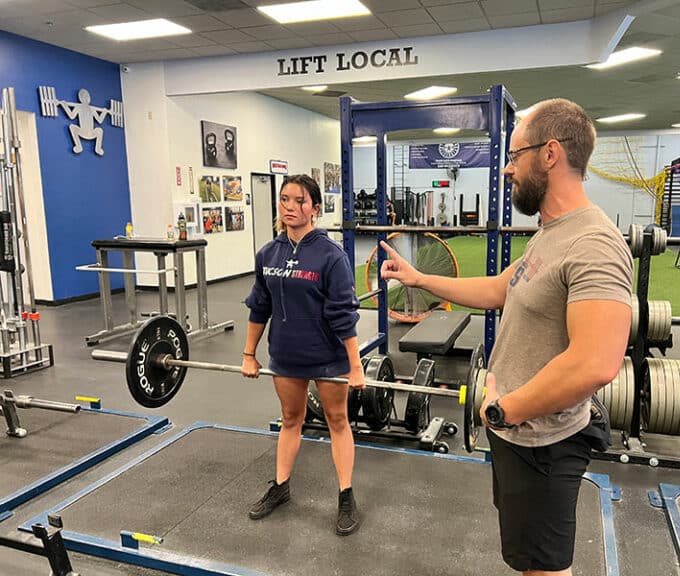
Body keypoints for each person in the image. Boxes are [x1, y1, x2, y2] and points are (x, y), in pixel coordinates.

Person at [379, 99, 632, 575]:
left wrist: (502, 410)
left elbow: (596, 363)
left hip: (543, 443)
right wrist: (419, 280)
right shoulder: (551, 232)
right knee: (529, 563)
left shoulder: (593, 243)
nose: (507, 169)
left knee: (545, 570)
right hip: (519, 436)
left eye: (515, 156)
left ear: (551, 153)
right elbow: (500, 288)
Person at [241, 174, 365, 536]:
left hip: (328, 357)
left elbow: (344, 314)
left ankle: (345, 495)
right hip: (285, 354)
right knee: (290, 418)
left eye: (299, 201)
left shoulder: (331, 256)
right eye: (284, 200)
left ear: (314, 207)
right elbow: (258, 306)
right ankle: (280, 487)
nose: (290, 208)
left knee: (337, 421)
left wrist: (355, 367)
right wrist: (249, 354)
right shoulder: (268, 253)